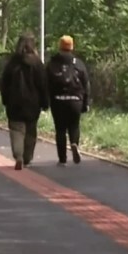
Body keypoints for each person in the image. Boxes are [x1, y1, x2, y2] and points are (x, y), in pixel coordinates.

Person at [0, 33, 49, 170]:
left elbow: (4, 83)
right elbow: (43, 84)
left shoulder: (12, 63)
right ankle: (27, 157)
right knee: (31, 131)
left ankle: (18, 155)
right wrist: (45, 102)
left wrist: (5, 99)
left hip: (14, 103)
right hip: (33, 103)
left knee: (16, 130)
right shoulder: (37, 63)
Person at [45, 35, 90, 165]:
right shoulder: (78, 63)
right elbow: (86, 83)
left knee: (60, 129)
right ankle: (74, 143)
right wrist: (85, 102)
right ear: (72, 47)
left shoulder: (53, 63)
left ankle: (62, 159)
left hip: (58, 100)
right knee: (74, 126)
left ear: (60, 46)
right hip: (76, 100)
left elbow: (46, 82)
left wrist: (46, 101)